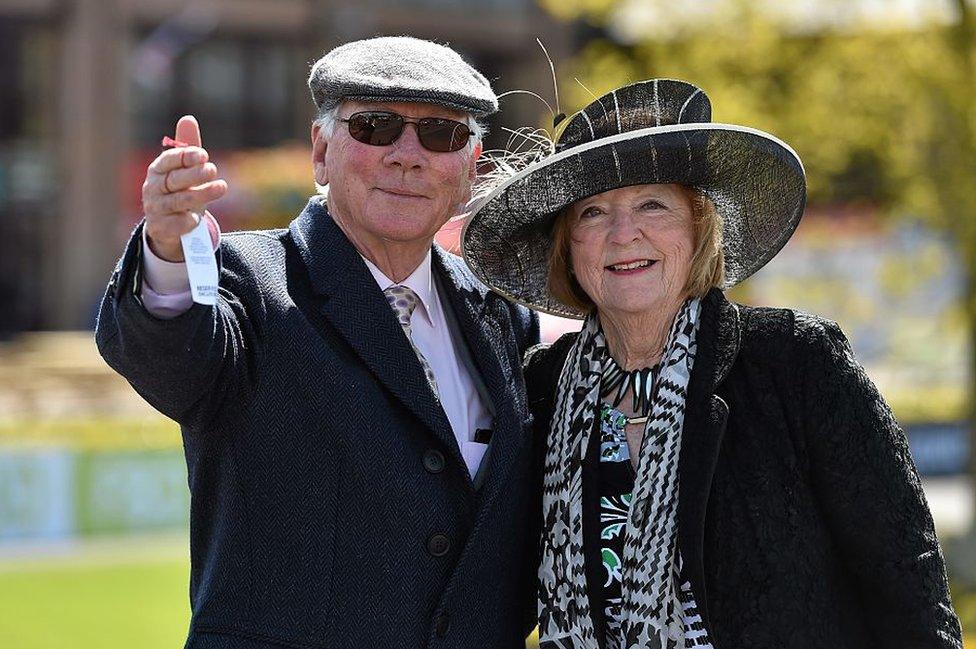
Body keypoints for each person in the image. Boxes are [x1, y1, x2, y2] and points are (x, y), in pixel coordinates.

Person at [462, 79, 963, 648]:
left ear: (699, 227)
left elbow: (906, 583)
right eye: (593, 213)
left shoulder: (792, 362)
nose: (624, 235)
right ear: (568, 248)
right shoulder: (544, 389)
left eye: (653, 204)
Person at [96, 36, 540, 648]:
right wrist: (169, 252)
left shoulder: (502, 319)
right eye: (377, 127)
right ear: (321, 150)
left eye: (440, 134)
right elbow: (171, 356)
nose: (407, 156)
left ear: (470, 169)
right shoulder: (247, 282)